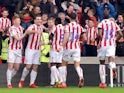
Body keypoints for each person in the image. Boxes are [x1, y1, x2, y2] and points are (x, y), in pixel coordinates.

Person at [59, 13, 87, 88]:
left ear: (69, 18)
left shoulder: (67, 26)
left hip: (68, 47)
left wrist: (62, 45)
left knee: (63, 64)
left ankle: (63, 83)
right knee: (77, 64)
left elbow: (67, 36)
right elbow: (85, 38)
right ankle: (81, 76)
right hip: (77, 47)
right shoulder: (80, 27)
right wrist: (81, 43)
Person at [97, 10, 123, 88]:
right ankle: (113, 66)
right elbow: (120, 34)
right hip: (111, 44)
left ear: (102, 15)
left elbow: (100, 35)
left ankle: (103, 83)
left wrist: (98, 40)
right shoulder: (113, 23)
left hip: (103, 44)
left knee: (102, 63)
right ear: (109, 16)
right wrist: (115, 39)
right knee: (111, 59)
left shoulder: (101, 23)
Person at [18, 15, 43, 88]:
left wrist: (41, 42)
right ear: (35, 20)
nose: (39, 20)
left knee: (35, 66)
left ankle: (32, 83)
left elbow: (41, 36)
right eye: (37, 19)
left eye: (40, 19)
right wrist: (35, 31)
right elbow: (27, 31)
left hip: (37, 49)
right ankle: (22, 80)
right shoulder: (32, 26)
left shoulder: (41, 27)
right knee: (28, 66)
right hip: (30, 49)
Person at [6, 15, 27, 88]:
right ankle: (9, 83)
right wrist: (25, 34)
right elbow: (17, 38)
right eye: (17, 21)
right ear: (13, 21)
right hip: (12, 49)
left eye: (19, 21)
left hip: (19, 50)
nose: (19, 22)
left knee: (17, 68)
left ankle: (9, 78)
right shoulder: (12, 29)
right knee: (10, 66)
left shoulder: (21, 28)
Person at [49, 18, 65, 87]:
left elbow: (50, 36)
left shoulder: (55, 28)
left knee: (52, 64)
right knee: (59, 64)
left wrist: (49, 40)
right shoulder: (64, 28)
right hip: (61, 48)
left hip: (55, 48)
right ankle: (62, 81)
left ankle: (58, 81)